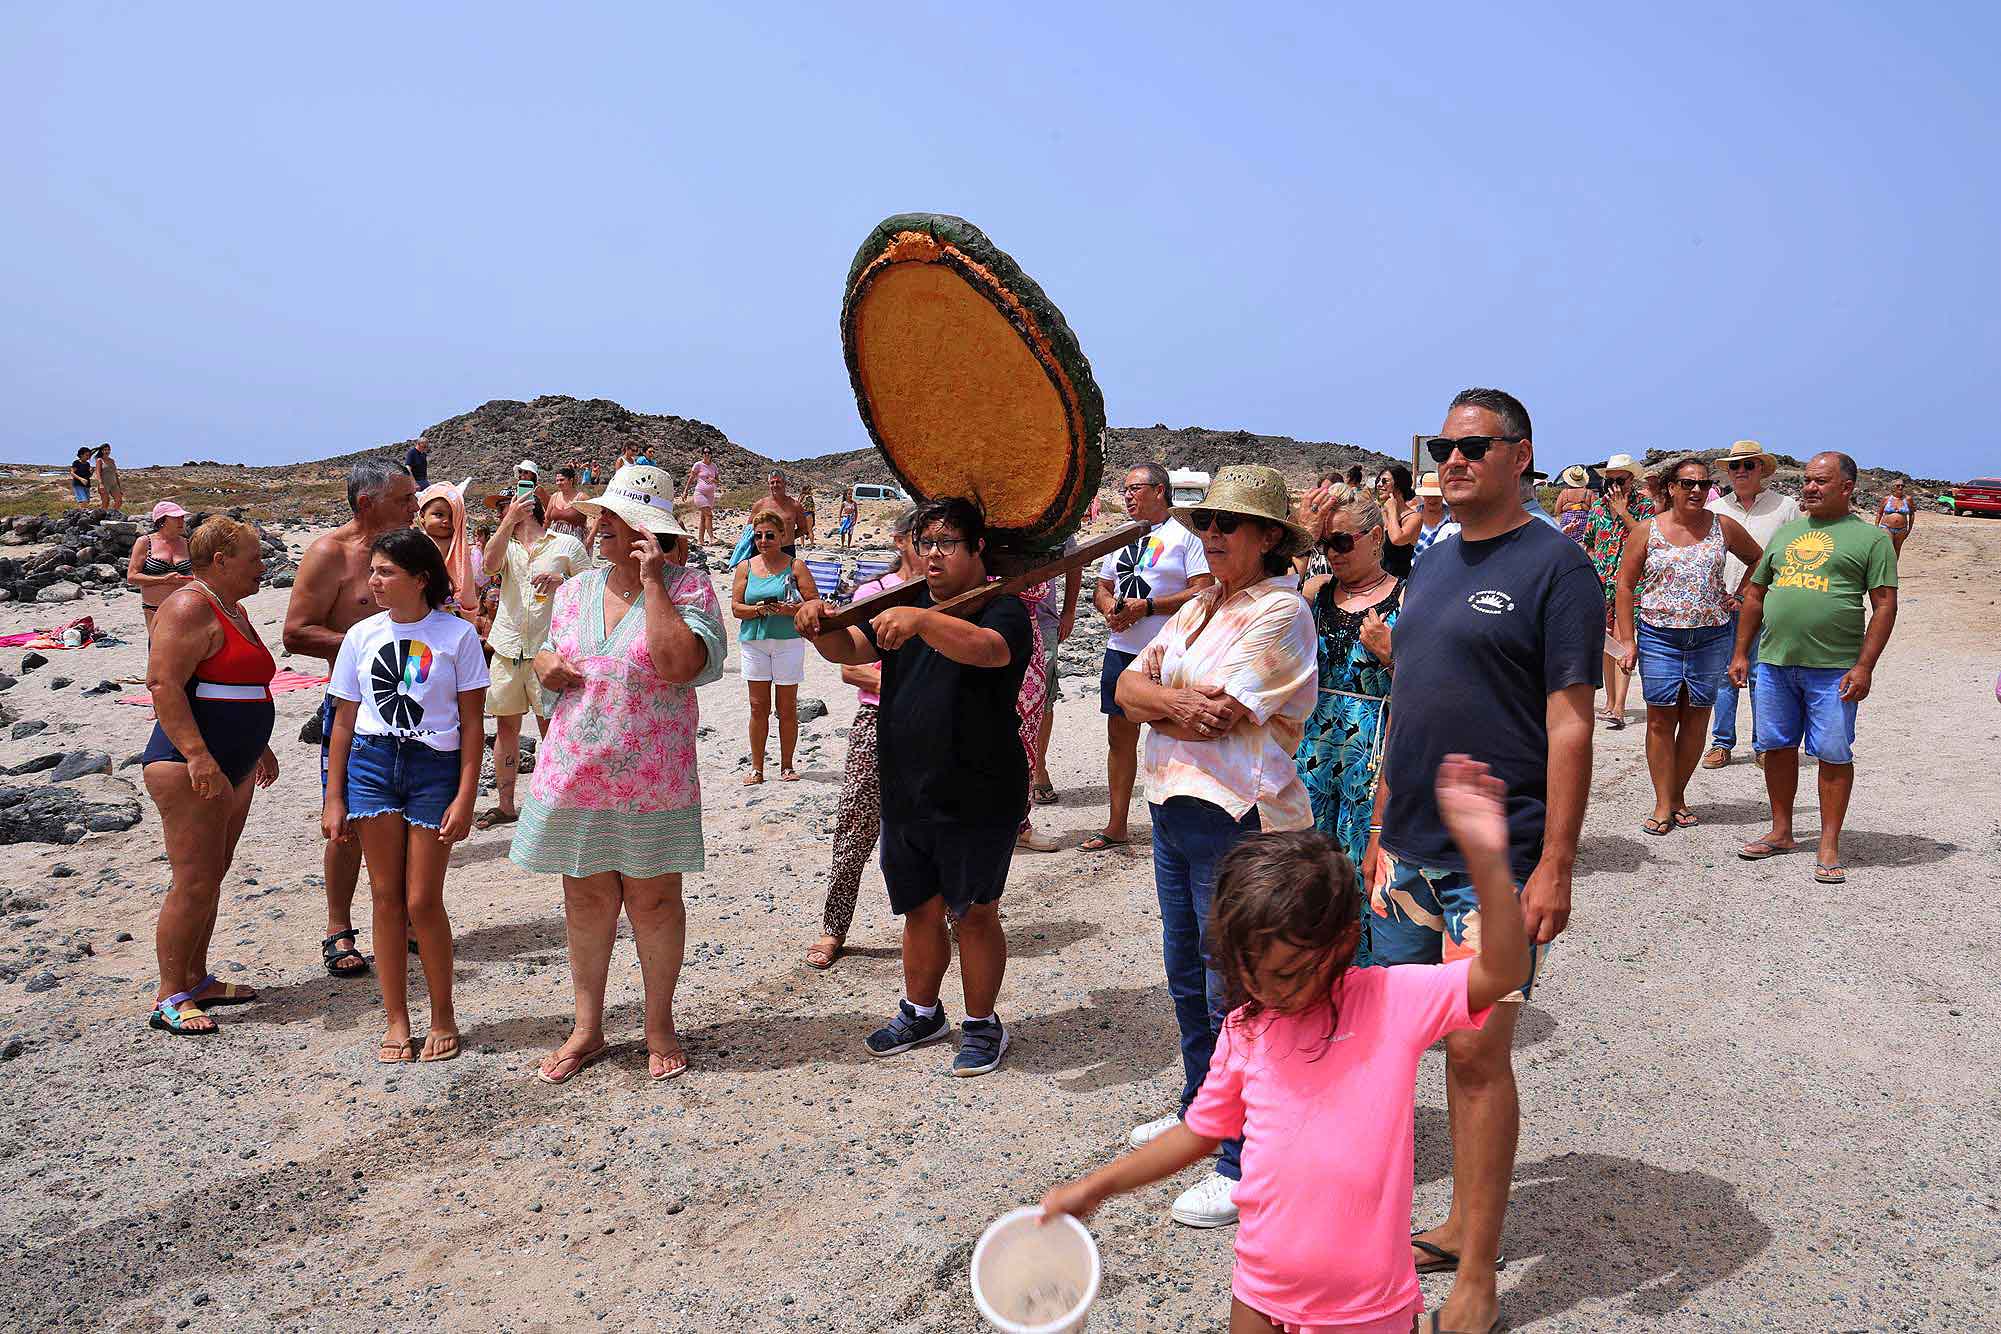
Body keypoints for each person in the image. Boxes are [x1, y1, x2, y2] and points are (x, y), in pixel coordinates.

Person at [1041, 759, 1531, 1334]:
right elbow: (1199, 1133)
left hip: (1367, 1304)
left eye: (1292, 972)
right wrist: (1097, 1185)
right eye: (1252, 973)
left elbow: (1503, 970)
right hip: (1260, 1287)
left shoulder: (1392, 1000)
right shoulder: (1246, 1028)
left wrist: (1487, 860)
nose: (1270, 991)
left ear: (1344, 942)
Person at [1366, 387, 1600, 1334]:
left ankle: (1478, 1274)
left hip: (1493, 864)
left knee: (1472, 1055)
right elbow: (1413, 694)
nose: (1451, 460)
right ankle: (1452, 1221)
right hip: (1408, 850)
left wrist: (1557, 863)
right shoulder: (1428, 559)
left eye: (1472, 446)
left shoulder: (1556, 567)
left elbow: (1570, 721)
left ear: (1520, 454)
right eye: (1440, 446)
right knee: (1387, 1050)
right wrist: (1381, 819)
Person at [1115, 463, 1318, 1228]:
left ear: (1267, 537)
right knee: (1184, 970)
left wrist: (1151, 704)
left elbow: (1223, 715)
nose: (1212, 535)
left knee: (1232, 983)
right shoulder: (1200, 606)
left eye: (1227, 524)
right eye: (1205, 523)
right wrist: (1162, 703)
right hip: (1174, 803)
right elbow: (1127, 688)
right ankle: (1203, 1114)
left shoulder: (1280, 611)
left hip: (1238, 814)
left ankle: (1244, 1156)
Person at [795, 496, 1035, 1078]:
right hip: (908, 785)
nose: (933, 554)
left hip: (979, 789)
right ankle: (921, 1011)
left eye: (947, 543)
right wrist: (817, 627)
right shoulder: (903, 603)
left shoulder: (1002, 608)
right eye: (926, 542)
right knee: (919, 909)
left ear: (978, 549)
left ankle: (982, 1024)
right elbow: (852, 649)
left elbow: (989, 653)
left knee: (975, 912)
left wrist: (925, 620)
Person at [513, 464, 724, 1082]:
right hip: (576, 769)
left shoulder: (689, 590)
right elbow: (553, 654)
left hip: (652, 780)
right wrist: (547, 663)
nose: (597, 525)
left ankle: (660, 1024)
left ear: (648, 531)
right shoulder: (577, 591)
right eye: (599, 516)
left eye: (613, 518)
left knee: (655, 900)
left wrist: (655, 581)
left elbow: (679, 664)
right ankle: (588, 1027)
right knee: (584, 897)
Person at [321, 529, 488, 1063]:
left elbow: (472, 724)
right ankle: (396, 1019)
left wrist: (466, 796)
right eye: (373, 570)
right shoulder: (359, 635)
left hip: (433, 768)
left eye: (386, 571)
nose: (374, 580)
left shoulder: (456, 636)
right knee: (384, 897)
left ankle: (443, 1014)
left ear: (420, 578)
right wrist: (334, 795)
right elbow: (342, 719)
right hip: (372, 764)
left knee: (422, 900)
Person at [1731, 451, 1898, 886]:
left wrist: (1865, 666)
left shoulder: (1872, 539)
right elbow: (1755, 594)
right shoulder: (1787, 534)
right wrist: (1741, 652)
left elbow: (1883, 606)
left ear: (1847, 487)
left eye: (1821, 481)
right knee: (1777, 747)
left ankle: (1828, 843)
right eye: (1807, 480)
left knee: (1833, 752)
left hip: (1834, 669)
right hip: (1775, 664)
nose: (1810, 487)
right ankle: (1782, 831)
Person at [141, 518, 279, 1035]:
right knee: (193, 880)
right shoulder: (188, 605)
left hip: (234, 763)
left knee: (212, 875)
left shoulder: (232, 608)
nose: (262, 566)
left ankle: (196, 979)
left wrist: (256, 744)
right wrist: (199, 757)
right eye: (254, 558)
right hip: (189, 767)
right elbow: (164, 684)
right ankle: (169, 994)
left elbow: (231, 683)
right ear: (221, 560)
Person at [283, 458, 420, 980]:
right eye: (404, 499)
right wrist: (369, 647)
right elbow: (296, 632)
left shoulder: (407, 550)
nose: (414, 507)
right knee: (348, 825)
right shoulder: (329, 554)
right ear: (367, 503)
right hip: (354, 708)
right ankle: (338, 927)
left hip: (415, 706)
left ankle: (406, 917)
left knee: (412, 815)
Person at [1615, 457, 1764, 835]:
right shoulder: (1647, 531)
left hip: (1711, 636)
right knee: (1661, 719)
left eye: (1702, 483)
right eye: (1687, 484)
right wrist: (1628, 640)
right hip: (1659, 636)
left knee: (1696, 719)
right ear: (1670, 488)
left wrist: (1740, 594)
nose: (1695, 490)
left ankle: (1677, 795)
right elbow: (1626, 586)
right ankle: (1664, 802)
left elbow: (1759, 560)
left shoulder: (1723, 527)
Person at [809, 508, 921, 970]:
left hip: (932, 726)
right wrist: (913, 685)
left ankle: (951, 921)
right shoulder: (874, 593)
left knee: (929, 823)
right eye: (922, 537)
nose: (931, 548)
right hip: (877, 719)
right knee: (855, 824)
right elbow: (851, 667)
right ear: (900, 540)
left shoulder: (949, 597)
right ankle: (834, 928)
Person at [1088, 464, 1213, 853]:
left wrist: (1149, 607)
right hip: (1120, 649)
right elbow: (1103, 586)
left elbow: (1203, 591)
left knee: (1171, 735)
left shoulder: (1184, 537)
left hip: (1167, 654)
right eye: (1123, 489)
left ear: (1160, 491)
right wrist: (1110, 607)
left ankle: (1177, 825)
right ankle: (1117, 823)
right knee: (1119, 737)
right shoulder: (1122, 539)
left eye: (1134, 488)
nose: (1126, 496)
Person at [1293, 483, 1399, 888]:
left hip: (1370, 755)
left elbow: (1426, 687)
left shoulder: (1406, 599)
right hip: (1312, 751)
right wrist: (1302, 536)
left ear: (1375, 538)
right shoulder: (1315, 594)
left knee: (1361, 868)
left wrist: (1391, 656)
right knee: (1308, 864)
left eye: (1341, 542)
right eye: (1325, 544)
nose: (1333, 553)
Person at [476, 491, 588, 828]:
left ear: (530, 507)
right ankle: (506, 805)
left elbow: (592, 587)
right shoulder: (505, 546)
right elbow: (488, 566)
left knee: (552, 729)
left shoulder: (566, 546)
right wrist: (508, 522)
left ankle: (558, 804)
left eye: (505, 506)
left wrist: (562, 581)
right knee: (505, 729)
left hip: (548, 651)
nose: (500, 512)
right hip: (507, 648)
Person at [1703, 440, 1802, 769]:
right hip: (1721, 603)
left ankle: (1763, 744)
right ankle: (1721, 743)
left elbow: (1795, 555)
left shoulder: (1786, 507)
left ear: (1762, 469)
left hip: (1767, 604)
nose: (1741, 471)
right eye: (1735, 466)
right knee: (1722, 675)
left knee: (1763, 675)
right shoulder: (1716, 509)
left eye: (1749, 465)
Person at [731, 502, 820, 785]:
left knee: (787, 707)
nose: (763, 541)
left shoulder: (796, 566)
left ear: (782, 536)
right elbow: (735, 608)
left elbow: (813, 603)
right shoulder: (745, 567)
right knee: (758, 707)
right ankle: (757, 769)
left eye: (769, 535)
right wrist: (759, 610)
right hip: (755, 642)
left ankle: (786, 766)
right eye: (758, 536)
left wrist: (789, 610)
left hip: (788, 641)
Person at [1582, 452, 1652, 729]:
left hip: (1631, 583)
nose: (1613, 486)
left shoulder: (1644, 507)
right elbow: (1588, 542)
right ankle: (1610, 702)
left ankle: (1620, 706)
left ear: (1631, 480)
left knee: (1625, 641)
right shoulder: (1598, 508)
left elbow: (1646, 537)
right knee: (1606, 643)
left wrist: (1623, 512)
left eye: (1619, 480)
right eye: (1609, 480)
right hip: (1602, 582)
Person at [1026, 539, 1081, 809]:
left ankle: (1038, 767)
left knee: (1043, 699)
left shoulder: (1053, 523)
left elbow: (1074, 562)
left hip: (1044, 620)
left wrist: (1069, 611)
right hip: (999, 615)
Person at [415, 482, 482, 619]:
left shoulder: (460, 546)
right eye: (438, 515)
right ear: (422, 516)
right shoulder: (416, 542)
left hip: (453, 603)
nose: (446, 521)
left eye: (452, 517)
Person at [128, 501, 194, 631]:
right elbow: (132, 577)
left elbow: (199, 573)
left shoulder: (187, 543)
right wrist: (163, 580)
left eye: (182, 517)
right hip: (155, 608)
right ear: (162, 520)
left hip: (185, 607)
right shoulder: (145, 542)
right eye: (176, 518)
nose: (181, 521)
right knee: (158, 648)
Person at [1374, 465, 1421, 578]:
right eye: (1378, 481)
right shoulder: (1379, 512)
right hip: (1377, 580)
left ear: (1398, 485)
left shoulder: (1414, 517)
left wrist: (1392, 510)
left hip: (1399, 581)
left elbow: (1397, 539)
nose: (1379, 484)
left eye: (1385, 481)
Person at [1409, 470, 1460, 561]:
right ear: (1423, 496)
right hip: (1413, 571)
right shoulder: (1412, 514)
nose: (1432, 499)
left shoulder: (1453, 516)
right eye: (1428, 495)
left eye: (1436, 495)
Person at [760, 471, 809, 555]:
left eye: (778, 482)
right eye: (772, 482)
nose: (775, 485)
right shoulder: (760, 505)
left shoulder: (795, 506)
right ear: (768, 484)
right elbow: (750, 530)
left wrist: (787, 537)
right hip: (764, 550)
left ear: (785, 483)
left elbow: (803, 528)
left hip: (786, 550)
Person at [683, 445, 721, 546]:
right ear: (702, 454)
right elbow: (691, 479)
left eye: (708, 452)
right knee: (709, 515)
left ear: (711, 454)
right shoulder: (698, 465)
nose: (707, 454)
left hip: (710, 495)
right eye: (704, 453)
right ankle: (712, 538)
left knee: (704, 518)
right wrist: (685, 491)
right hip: (700, 493)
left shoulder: (714, 466)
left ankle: (700, 540)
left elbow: (718, 481)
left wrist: (714, 480)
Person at [1874, 476, 1915, 558]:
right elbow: (1879, 513)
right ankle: (1886, 567)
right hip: (1886, 527)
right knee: (1888, 549)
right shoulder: (1887, 499)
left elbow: (1912, 514)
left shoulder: (1908, 499)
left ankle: (1893, 569)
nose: (1900, 487)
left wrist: (1909, 529)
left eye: (1902, 486)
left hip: (1902, 529)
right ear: (1893, 487)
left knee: (1897, 550)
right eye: (1898, 485)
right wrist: (1876, 527)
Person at [546, 466, 590, 542]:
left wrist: (590, 538)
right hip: (555, 539)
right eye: (557, 480)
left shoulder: (582, 498)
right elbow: (547, 518)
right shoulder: (554, 497)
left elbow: (595, 519)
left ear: (571, 480)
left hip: (575, 540)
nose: (559, 483)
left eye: (562, 480)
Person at [1554, 464, 1596, 544]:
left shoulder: (1564, 493)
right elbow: (1595, 511)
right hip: (1584, 524)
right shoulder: (1589, 493)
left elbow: (1557, 511)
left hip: (1567, 524)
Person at [93, 443, 123, 512]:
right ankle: (101, 517)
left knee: (119, 500)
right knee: (106, 502)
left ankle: (112, 514)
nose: (107, 451)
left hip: (114, 484)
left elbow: (115, 474)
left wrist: (119, 487)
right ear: (102, 451)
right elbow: (97, 472)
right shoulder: (99, 460)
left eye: (108, 450)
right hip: (104, 484)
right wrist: (100, 484)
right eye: (105, 450)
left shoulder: (112, 461)